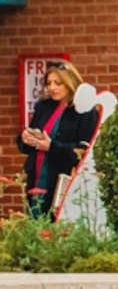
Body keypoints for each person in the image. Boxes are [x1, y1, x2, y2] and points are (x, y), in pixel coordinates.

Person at [22, 65, 97, 217]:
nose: (52, 88)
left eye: (58, 83)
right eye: (49, 83)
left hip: (64, 179)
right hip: (36, 176)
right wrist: (25, 138)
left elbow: (83, 151)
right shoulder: (44, 106)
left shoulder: (85, 111)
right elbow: (30, 141)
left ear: (70, 83)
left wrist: (52, 147)